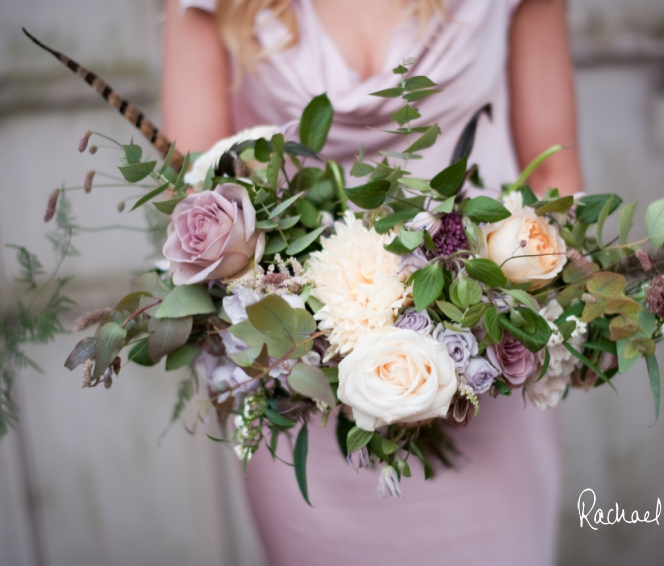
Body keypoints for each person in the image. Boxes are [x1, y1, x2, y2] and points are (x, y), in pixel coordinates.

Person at [163, 1, 582, 564]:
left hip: (483, 386)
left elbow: (555, 175)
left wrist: (486, 314)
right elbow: (196, 193)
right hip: (301, 392)